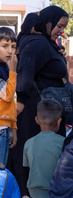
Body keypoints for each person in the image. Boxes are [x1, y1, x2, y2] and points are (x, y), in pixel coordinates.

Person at [8, 5, 69, 197]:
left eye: (63, 27)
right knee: (31, 151)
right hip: (36, 107)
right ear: (48, 23)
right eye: (59, 26)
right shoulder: (38, 43)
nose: (61, 31)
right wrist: (22, 99)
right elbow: (25, 70)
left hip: (45, 105)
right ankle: (26, 194)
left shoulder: (45, 41)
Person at [23, 99, 64, 198]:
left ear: (37, 120)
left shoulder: (28, 143)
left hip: (34, 195)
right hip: (58, 194)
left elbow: (26, 169)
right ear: (59, 121)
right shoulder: (63, 142)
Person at [0, 27, 18, 166]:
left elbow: (12, 101)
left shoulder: (6, 69)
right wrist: (13, 71)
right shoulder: (8, 71)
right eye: (4, 46)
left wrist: (13, 128)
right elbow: (7, 95)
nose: (10, 51)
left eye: (13, 46)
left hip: (5, 129)